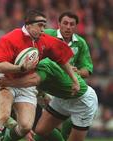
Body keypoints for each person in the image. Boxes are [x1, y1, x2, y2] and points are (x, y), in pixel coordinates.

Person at [0, 9, 80, 141]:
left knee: (25, 126)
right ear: (28, 24)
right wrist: (21, 67)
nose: (43, 29)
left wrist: (74, 79)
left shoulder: (44, 40)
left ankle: (6, 139)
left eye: (44, 26)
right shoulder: (10, 38)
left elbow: (62, 58)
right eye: (40, 25)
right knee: (3, 116)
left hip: (25, 84)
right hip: (5, 80)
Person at [0, 58, 98, 141]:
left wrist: (9, 82)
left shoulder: (43, 65)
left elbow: (35, 80)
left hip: (82, 101)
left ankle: (70, 124)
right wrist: (43, 95)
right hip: (61, 98)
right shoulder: (29, 69)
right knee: (41, 130)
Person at [44, 11, 93, 140]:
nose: (68, 27)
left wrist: (77, 72)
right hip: (47, 85)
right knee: (40, 128)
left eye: (72, 24)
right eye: (65, 23)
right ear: (59, 24)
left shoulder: (80, 43)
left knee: (66, 123)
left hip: (67, 87)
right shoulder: (48, 35)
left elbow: (87, 70)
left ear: (75, 26)